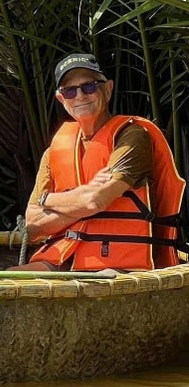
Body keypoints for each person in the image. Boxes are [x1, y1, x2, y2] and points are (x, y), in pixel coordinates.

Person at [22, 53, 186, 271]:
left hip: (120, 265)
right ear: (61, 99)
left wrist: (47, 201)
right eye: (69, 91)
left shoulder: (131, 137)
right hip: (64, 258)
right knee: (7, 280)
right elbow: (32, 226)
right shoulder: (53, 151)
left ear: (107, 89)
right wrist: (74, 197)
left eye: (89, 86)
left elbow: (95, 202)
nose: (79, 95)